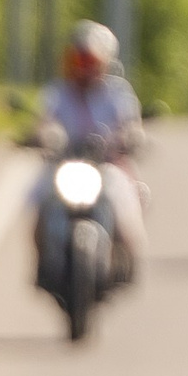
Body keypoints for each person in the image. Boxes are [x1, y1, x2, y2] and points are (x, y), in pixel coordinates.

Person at [36, 20, 148, 279]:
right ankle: (44, 261)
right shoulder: (58, 92)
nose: (83, 67)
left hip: (107, 165)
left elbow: (130, 123)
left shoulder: (117, 93)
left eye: (90, 61)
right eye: (78, 60)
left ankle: (128, 257)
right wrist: (44, 135)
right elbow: (45, 121)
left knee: (124, 200)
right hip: (66, 165)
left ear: (105, 62)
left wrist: (131, 136)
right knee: (42, 199)